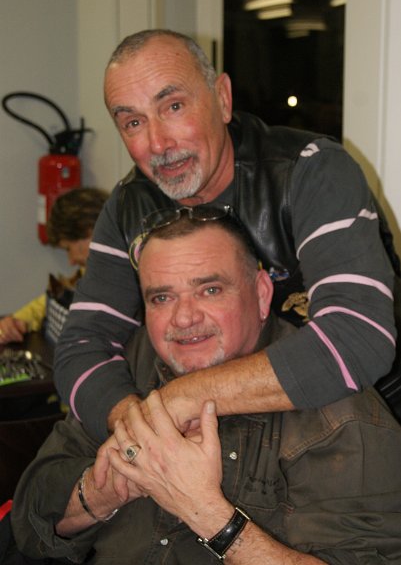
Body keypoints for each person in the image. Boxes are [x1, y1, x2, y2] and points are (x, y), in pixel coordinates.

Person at [54, 29, 399, 446]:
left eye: (174, 106)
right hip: (242, 438)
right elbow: (80, 346)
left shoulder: (311, 172)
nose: (157, 143)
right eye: (133, 122)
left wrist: (183, 399)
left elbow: (358, 336)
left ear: (222, 98)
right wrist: (140, 430)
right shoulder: (129, 208)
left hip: (368, 428)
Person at [10, 212, 401, 564]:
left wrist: (207, 512)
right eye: (162, 297)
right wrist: (104, 491)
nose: (183, 318)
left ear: (262, 294)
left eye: (210, 290)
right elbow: (27, 523)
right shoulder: (128, 367)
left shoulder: (341, 415)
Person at [0, 187, 109, 345]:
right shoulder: (92, 271)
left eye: (68, 248)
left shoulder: (126, 275)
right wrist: (18, 320)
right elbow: (47, 302)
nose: (71, 261)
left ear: (88, 230)